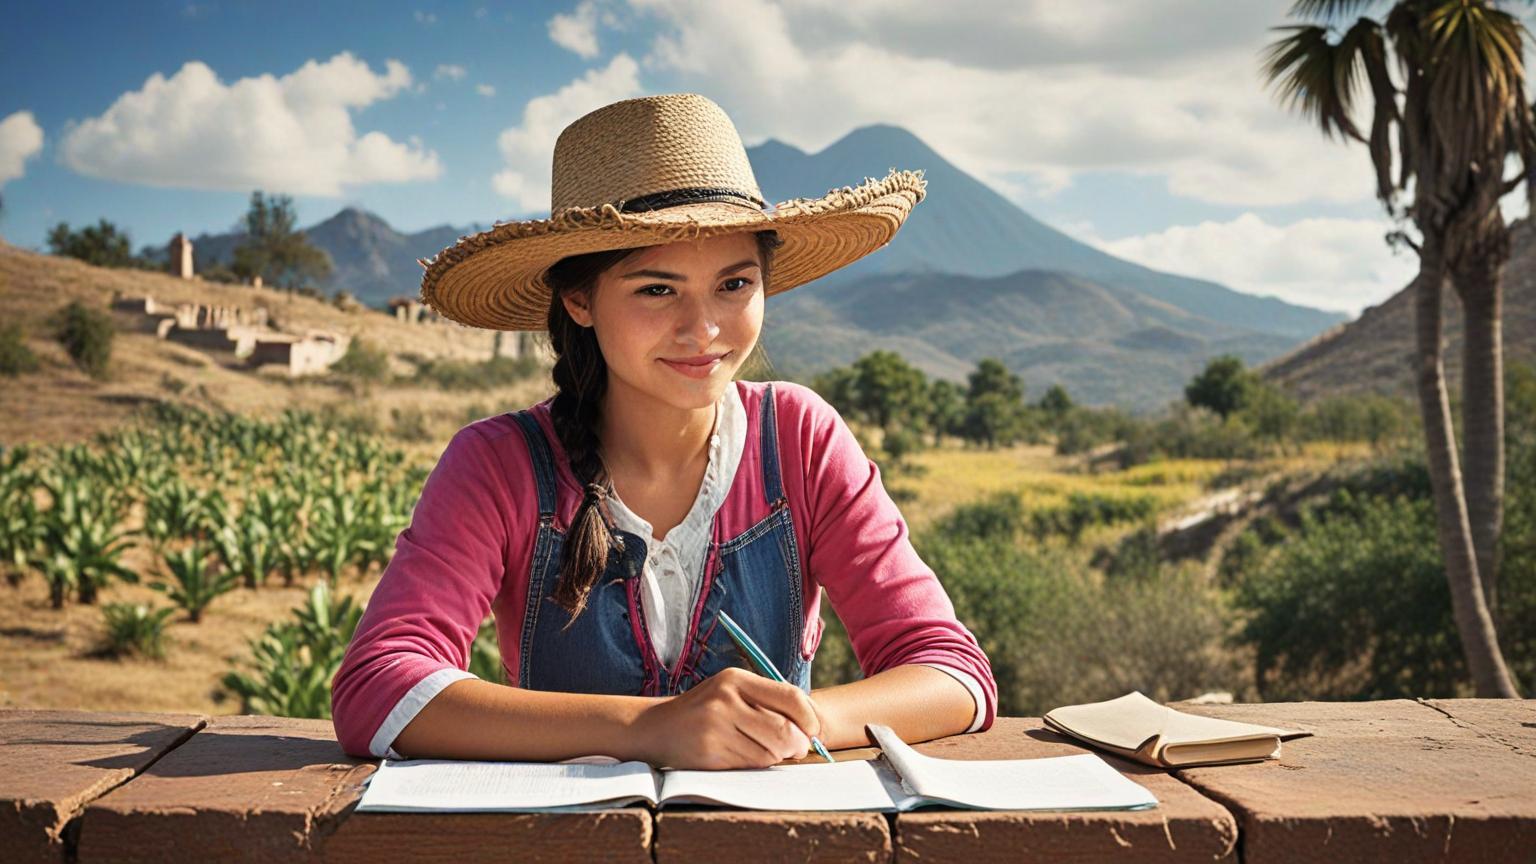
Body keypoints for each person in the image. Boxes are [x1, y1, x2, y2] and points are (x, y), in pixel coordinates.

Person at [331, 92, 996, 770]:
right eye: (657, 290)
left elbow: (953, 672)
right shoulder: (496, 464)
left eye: (734, 285)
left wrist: (802, 720)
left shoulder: (801, 439)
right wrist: (647, 729)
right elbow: (377, 690)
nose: (703, 328)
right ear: (579, 299)